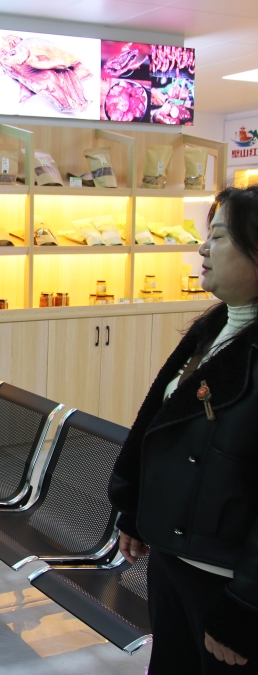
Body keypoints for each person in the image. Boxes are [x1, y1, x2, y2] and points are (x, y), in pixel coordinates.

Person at [108, 186, 258, 673]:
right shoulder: (214, 327)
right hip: (175, 558)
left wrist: (246, 605)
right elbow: (161, 425)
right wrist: (136, 509)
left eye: (220, 236)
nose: (202, 248)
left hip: (226, 582)